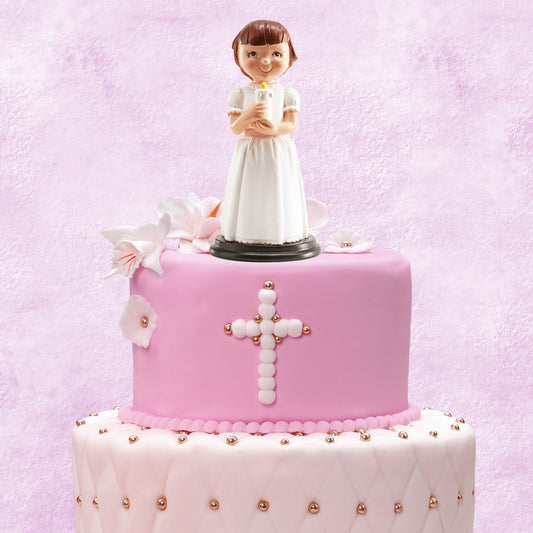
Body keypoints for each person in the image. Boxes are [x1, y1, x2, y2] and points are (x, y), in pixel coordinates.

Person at [219, 20, 311, 248]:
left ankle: (280, 231)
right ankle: (248, 232)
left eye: (276, 54)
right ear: (238, 57)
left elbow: (291, 123)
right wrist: (248, 115)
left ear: (289, 57)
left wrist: (275, 129)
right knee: (251, 191)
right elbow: (235, 128)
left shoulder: (288, 94)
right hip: (250, 150)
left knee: (277, 190)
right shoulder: (240, 95)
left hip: (277, 150)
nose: (266, 61)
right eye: (253, 53)